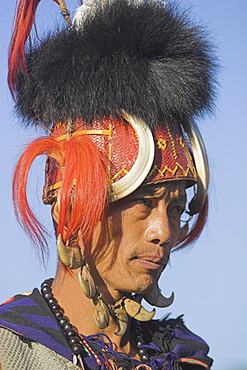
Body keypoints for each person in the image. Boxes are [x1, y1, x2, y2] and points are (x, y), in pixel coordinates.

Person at [0, 0, 218, 369]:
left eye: (177, 208)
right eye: (144, 204)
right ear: (69, 205)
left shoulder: (184, 355)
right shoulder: (11, 351)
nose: (163, 232)